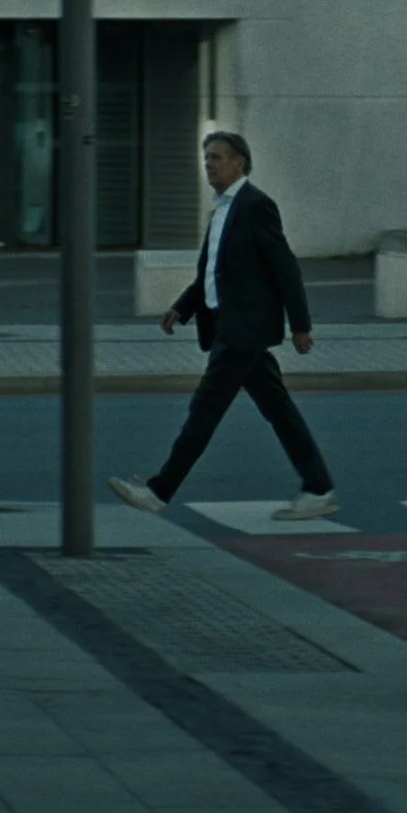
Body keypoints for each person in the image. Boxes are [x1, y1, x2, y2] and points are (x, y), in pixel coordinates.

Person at [108, 131, 339, 522]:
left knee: (204, 410)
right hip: (228, 329)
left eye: (216, 157)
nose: (209, 164)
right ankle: (318, 487)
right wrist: (182, 308)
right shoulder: (221, 212)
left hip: (242, 332)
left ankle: (159, 491)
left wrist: (300, 325)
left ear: (240, 163)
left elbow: (286, 269)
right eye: (207, 158)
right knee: (279, 410)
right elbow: (212, 275)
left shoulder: (256, 206)